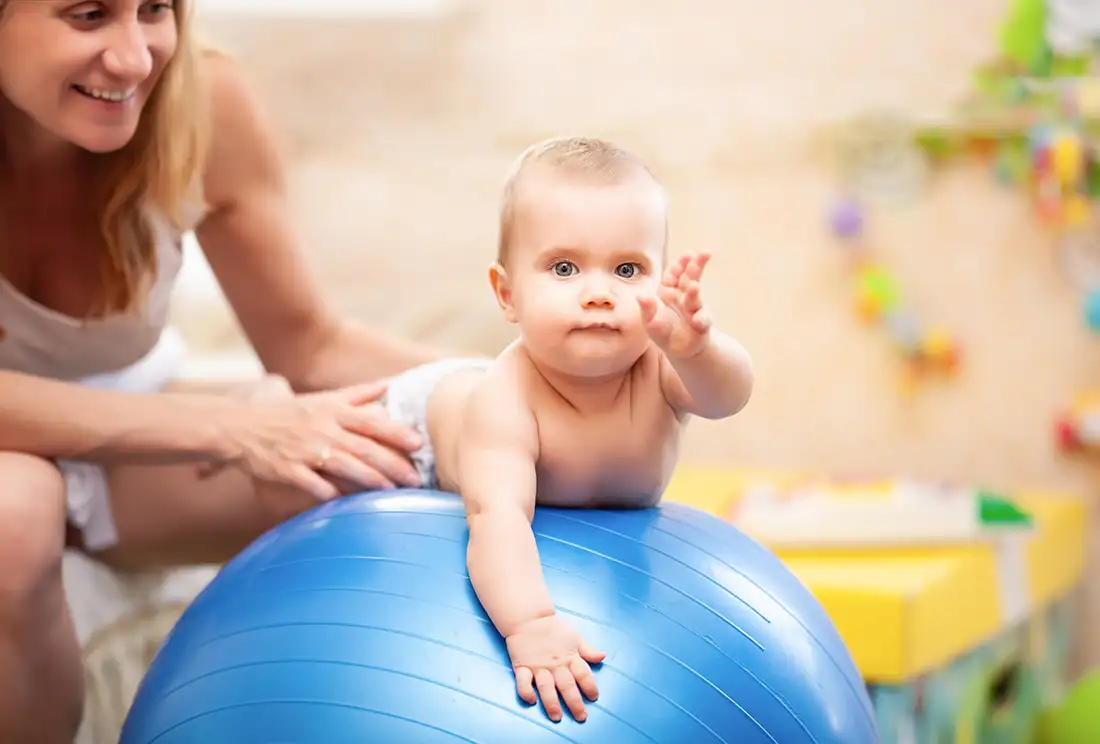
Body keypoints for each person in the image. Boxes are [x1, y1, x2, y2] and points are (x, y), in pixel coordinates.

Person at [0, 1, 447, 742]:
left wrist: (536, 377)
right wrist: (230, 425)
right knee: (13, 513)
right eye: (88, 16)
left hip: (124, 444)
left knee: (401, 444)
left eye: (153, 11)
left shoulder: (201, 101)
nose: (135, 58)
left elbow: (309, 345)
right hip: (26, 470)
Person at [380, 135, 755, 724]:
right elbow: (497, 518)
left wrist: (699, 350)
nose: (600, 293)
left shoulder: (661, 365)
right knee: (338, 457)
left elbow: (727, 398)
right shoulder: (506, 400)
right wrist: (530, 623)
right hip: (423, 430)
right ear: (507, 294)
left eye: (628, 269)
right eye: (564, 267)